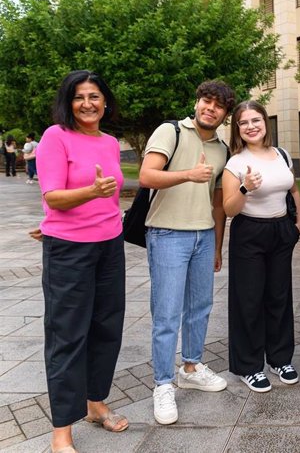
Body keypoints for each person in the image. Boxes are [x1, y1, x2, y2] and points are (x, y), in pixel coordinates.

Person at [36, 70, 127, 453]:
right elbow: (53, 195)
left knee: (106, 328)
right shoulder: (55, 137)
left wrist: (102, 206)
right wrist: (90, 192)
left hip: (109, 245)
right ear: (68, 102)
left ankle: (94, 403)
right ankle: (62, 431)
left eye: (94, 96)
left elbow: (111, 195)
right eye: (79, 97)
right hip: (69, 250)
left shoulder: (109, 142)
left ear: (105, 102)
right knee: (67, 336)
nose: (87, 104)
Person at [138, 80, 235, 425]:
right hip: (167, 235)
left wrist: (217, 245)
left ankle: (191, 367)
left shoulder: (223, 149)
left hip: (204, 236)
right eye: (205, 101)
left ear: (225, 114)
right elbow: (147, 176)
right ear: (196, 103)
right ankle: (163, 384)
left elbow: (218, 203)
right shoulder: (170, 131)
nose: (210, 108)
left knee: (200, 307)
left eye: (218, 105)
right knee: (166, 314)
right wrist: (188, 175)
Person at [222, 100, 300, 392]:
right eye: (243, 123)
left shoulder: (281, 154)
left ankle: (280, 358)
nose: (251, 126)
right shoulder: (235, 163)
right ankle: (249, 366)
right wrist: (246, 187)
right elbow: (229, 209)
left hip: (281, 231)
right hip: (250, 234)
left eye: (255, 120)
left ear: (265, 122)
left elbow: (292, 188)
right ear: (238, 129)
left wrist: (298, 224)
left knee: (279, 296)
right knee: (249, 300)